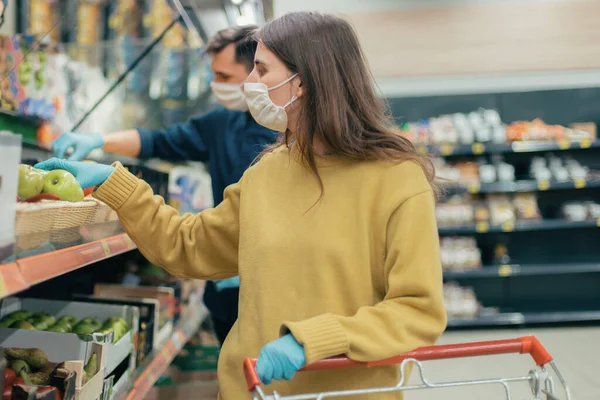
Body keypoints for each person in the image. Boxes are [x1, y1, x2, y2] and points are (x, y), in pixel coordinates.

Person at [38, 11, 447, 400]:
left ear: (302, 82)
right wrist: (114, 182)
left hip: (342, 391)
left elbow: (417, 311)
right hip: (250, 389)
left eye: (262, 70)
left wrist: (316, 341)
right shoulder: (268, 172)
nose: (250, 82)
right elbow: (188, 245)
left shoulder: (396, 180)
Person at [50, 25, 277, 346]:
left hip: (270, 290)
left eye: (225, 77)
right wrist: (99, 140)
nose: (217, 86)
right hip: (224, 282)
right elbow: (158, 141)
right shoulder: (222, 122)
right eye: (212, 76)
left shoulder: (285, 138)